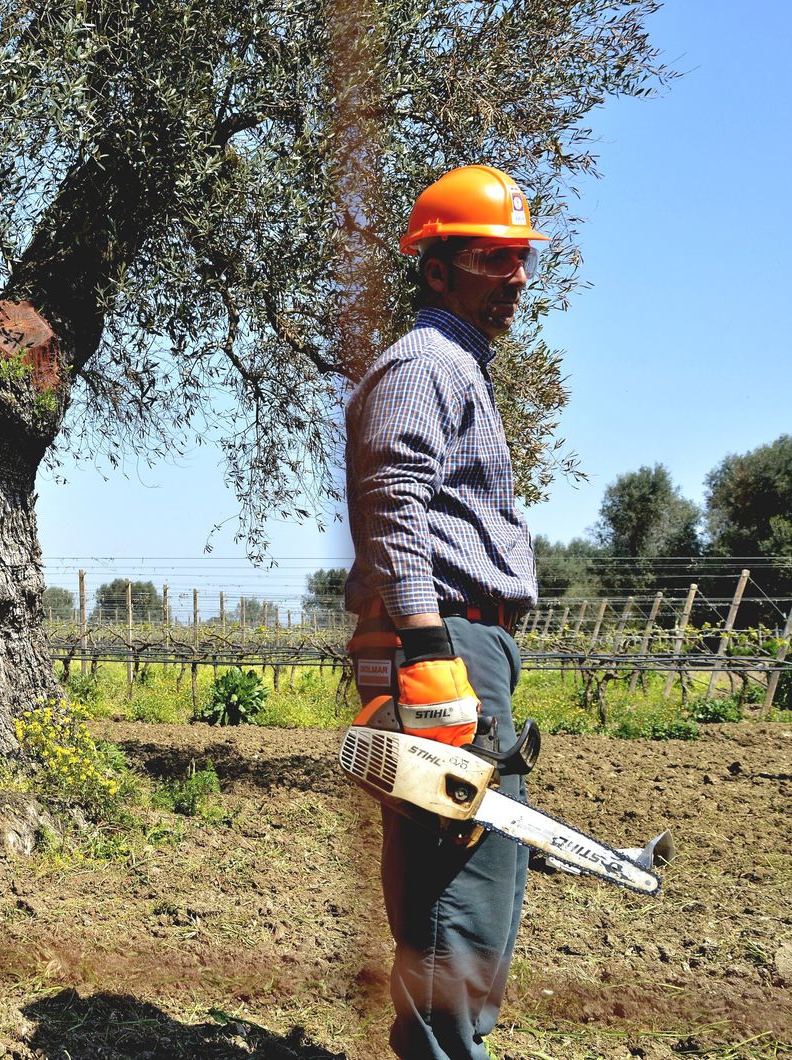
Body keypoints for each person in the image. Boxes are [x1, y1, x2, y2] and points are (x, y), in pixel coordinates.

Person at [343, 164, 544, 1060]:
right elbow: (391, 499)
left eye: (521, 258)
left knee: (481, 863)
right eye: (496, 259)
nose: (519, 278)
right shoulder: (426, 364)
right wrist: (427, 646)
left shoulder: (458, 366)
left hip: (465, 639)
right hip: (450, 637)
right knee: (456, 870)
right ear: (436, 269)